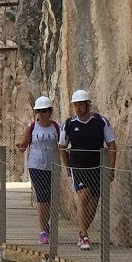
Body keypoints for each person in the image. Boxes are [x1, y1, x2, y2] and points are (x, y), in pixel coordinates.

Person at [59, 89, 116, 250]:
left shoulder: (100, 122)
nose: (77, 108)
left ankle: (82, 232)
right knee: (83, 196)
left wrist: (111, 168)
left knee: (94, 200)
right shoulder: (69, 124)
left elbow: (111, 144)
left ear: (87, 105)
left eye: (80, 104)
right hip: (79, 165)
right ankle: (84, 235)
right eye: (75, 105)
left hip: (97, 166)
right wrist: (68, 167)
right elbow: (62, 147)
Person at [17, 96, 60, 244]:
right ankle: (42, 230)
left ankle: (45, 224)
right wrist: (19, 146)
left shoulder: (56, 127)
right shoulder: (32, 127)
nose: (40, 114)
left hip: (52, 166)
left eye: (43, 111)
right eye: (38, 111)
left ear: (49, 112)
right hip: (36, 165)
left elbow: (62, 144)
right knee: (42, 197)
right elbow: (24, 144)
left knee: (49, 197)